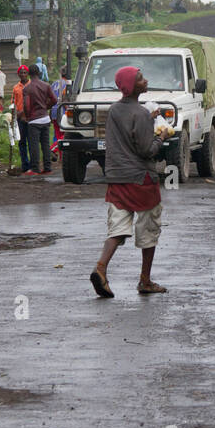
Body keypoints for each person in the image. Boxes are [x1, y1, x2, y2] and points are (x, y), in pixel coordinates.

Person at [90, 66, 168, 298]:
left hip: (117, 178)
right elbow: (147, 151)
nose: (146, 81)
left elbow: (125, 133)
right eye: (141, 79)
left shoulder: (114, 110)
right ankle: (144, 280)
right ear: (132, 86)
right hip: (141, 180)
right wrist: (161, 136)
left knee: (117, 229)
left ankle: (101, 268)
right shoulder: (141, 114)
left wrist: (148, 121)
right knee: (148, 229)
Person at [21, 66, 57, 175]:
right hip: (45, 119)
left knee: (34, 145)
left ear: (28, 74)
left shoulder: (27, 89)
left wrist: (28, 116)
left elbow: (26, 106)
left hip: (34, 120)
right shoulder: (46, 85)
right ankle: (47, 168)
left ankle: (35, 169)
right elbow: (54, 100)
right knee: (45, 144)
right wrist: (46, 107)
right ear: (39, 73)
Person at [12, 66, 31, 173]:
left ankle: (34, 164)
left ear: (27, 74)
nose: (23, 74)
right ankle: (25, 164)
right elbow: (13, 103)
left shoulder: (32, 85)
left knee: (32, 141)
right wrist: (13, 115)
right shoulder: (16, 88)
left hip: (30, 117)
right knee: (22, 141)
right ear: (18, 74)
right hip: (20, 118)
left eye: (25, 72)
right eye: (21, 72)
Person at [51, 66, 72, 154]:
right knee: (66, 136)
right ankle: (52, 149)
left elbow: (50, 98)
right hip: (63, 112)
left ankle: (61, 157)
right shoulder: (68, 84)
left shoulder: (54, 83)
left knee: (57, 134)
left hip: (54, 112)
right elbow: (65, 100)